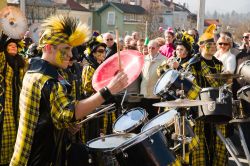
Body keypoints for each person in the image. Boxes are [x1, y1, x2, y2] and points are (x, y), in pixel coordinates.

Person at [10, 15, 128, 166]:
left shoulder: (36, 71)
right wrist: (108, 90)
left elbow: (49, 114)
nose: (71, 55)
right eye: (66, 49)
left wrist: (65, 127)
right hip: (37, 159)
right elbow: (71, 112)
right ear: (48, 47)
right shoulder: (46, 80)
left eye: (71, 49)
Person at [189, 28, 228, 166]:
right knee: (202, 142)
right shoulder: (194, 64)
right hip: (200, 108)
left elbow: (224, 85)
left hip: (217, 108)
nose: (212, 47)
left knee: (217, 142)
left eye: (213, 44)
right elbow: (189, 86)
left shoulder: (219, 64)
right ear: (201, 46)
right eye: (208, 44)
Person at [0, 34, 27, 166]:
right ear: (5, 48)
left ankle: (14, 159)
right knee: (7, 131)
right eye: (10, 45)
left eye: (15, 45)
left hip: (19, 100)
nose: (13, 47)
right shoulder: (3, 60)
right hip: (5, 101)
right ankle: (4, 160)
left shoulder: (22, 62)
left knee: (18, 131)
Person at [140, 39, 165, 119]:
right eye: (149, 48)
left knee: (154, 119)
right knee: (144, 119)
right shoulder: (143, 59)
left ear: (158, 48)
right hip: (143, 95)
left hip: (155, 95)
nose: (150, 50)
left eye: (153, 48)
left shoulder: (164, 60)